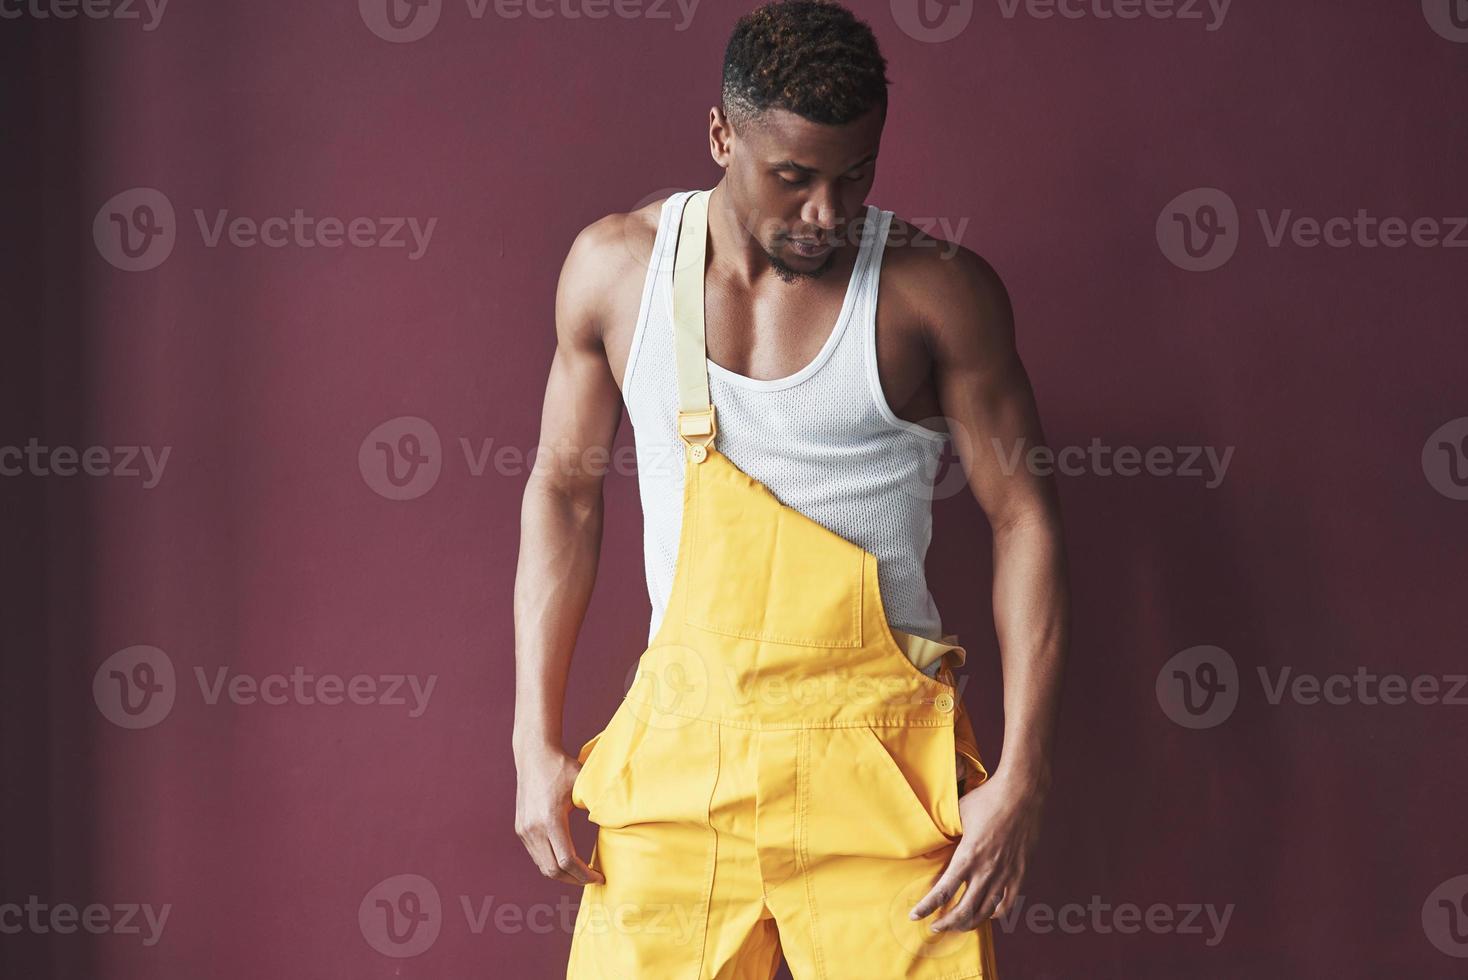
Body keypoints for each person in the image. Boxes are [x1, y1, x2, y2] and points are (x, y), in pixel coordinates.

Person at [513, 2, 1068, 975]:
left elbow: (1023, 514)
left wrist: (1023, 767)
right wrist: (533, 738)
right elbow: (564, 491)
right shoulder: (616, 271)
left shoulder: (935, 292)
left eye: (855, 176)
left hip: (882, 769)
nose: (825, 212)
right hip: (681, 755)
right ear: (721, 134)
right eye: (792, 178)